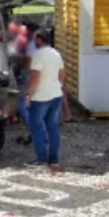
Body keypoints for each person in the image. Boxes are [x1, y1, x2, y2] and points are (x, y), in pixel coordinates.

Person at [25, 29, 64, 168]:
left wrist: (28, 93)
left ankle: (41, 158)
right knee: (53, 126)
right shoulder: (56, 54)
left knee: (36, 127)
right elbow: (62, 74)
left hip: (41, 96)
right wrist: (58, 86)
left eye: (36, 39)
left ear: (40, 40)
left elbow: (36, 77)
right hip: (56, 94)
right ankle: (54, 159)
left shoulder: (38, 55)